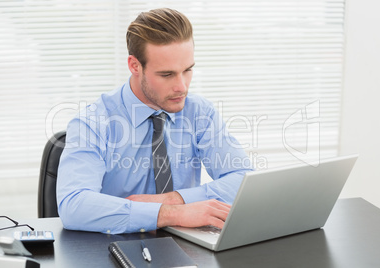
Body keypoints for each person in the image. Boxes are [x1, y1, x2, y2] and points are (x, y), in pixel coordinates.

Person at [57, 8, 252, 234]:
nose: (182, 86)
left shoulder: (200, 113)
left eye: (187, 70)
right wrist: (169, 213)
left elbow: (243, 180)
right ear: (135, 66)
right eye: (167, 74)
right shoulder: (93, 122)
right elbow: (74, 205)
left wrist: (174, 199)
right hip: (116, 246)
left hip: (186, 246)